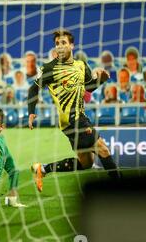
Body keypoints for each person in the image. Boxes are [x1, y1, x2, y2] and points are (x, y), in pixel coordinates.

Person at [28, 29, 121, 193]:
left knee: (86, 163)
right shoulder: (50, 68)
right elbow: (33, 89)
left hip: (78, 118)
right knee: (103, 149)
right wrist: (31, 111)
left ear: (72, 45)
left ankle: (42, 169)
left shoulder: (81, 65)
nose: (60, 46)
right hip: (72, 120)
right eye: (57, 44)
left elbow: (88, 90)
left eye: (63, 43)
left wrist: (101, 80)